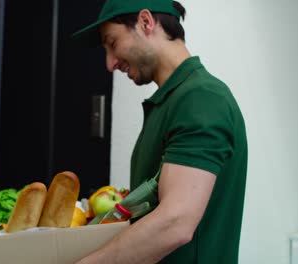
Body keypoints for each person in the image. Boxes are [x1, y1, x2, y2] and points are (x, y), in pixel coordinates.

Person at [72, 0, 247, 263]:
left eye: (112, 43)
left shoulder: (201, 98)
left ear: (145, 22)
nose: (110, 63)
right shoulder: (171, 102)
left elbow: (175, 223)